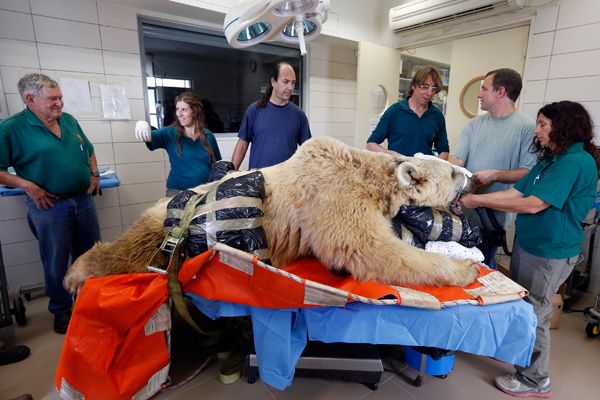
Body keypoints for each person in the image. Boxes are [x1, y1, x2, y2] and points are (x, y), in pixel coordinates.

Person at [459, 101, 599, 398]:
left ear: (563, 128)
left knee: (536, 312)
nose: (537, 131)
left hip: (550, 251)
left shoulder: (575, 162)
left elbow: (535, 204)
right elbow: (517, 192)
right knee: (522, 307)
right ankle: (518, 355)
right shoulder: (551, 160)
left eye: (543, 125)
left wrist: (480, 201)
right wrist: (473, 194)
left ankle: (536, 380)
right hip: (530, 244)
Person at [0, 73, 101, 334]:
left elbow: (88, 150)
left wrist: (94, 173)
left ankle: (90, 303)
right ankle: (61, 310)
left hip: (83, 201)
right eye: (52, 99)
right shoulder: (11, 128)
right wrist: (28, 186)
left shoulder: (68, 121)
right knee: (56, 261)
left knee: (90, 256)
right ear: (30, 99)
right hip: (50, 207)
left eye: (60, 97)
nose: (60, 104)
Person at [449, 68, 537, 267]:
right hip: (461, 211)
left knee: (481, 268)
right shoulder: (473, 125)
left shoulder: (527, 128)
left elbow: (529, 172)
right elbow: (458, 160)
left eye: (484, 89)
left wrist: (495, 175)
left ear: (501, 92)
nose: (479, 94)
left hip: (491, 217)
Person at [135, 92, 222, 197]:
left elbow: (216, 164)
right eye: (177, 109)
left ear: (195, 111)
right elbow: (148, 137)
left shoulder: (208, 135)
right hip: (178, 192)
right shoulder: (170, 133)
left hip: (205, 193)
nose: (179, 114)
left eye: (184, 110)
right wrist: (144, 125)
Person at [231, 62, 311, 170]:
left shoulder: (299, 116)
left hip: (286, 182)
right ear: (273, 81)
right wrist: (229, 174)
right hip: (258, 181)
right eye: (286, 82)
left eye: (293, 83)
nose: (290, 87)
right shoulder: (254, 110)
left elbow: (308, 152)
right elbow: (242, 145)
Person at [367, 66, 449, 159]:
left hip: (422, 172)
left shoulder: (437, 116)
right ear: (413, 85)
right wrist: (391, 154)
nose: (430, 93)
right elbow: (371, 144)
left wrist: (434, 166)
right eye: (425, 87)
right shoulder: (395, 111)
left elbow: (444, 150)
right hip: (397, 169)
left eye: (434, 89)